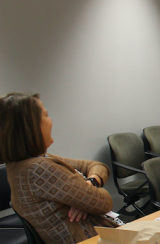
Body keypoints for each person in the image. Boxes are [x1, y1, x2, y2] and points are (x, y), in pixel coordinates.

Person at [1, 92, 119, 243]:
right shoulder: (39, 170)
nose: (51, 121)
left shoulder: (32, 162)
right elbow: (104, 202)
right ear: (29, 127)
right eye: (46, 115)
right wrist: (84, 196)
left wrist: (90, 184)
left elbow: (95, 166)